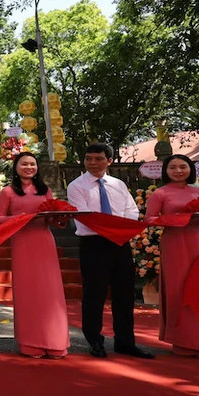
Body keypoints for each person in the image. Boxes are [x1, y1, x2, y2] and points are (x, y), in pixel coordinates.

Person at [67, 143, 155, 359]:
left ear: (109, 161)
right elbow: (84, 216)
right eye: (88, 159)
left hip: (120, 243)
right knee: (94, 294)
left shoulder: (118, 184)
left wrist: (120, 230)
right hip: (93, 243)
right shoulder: (76, 186)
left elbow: (131, 211)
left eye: (98, 159)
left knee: (124, 293)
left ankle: (125, 342)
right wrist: (113, 228)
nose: (93, 163)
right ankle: (95, 341)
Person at [0, 152, 69, 358]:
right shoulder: (8, 192)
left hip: (44, 241)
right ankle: (30, 343)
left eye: (32, 164)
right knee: (27, 290)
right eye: (24, 164)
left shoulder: (45, 190)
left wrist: (61, 217)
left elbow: (51, 218)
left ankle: (55, 342)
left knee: (50, 291)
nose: (29, 167)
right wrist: (18, 218)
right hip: (22, 242)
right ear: (16, 167)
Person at [144, 154, 199, 359]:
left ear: (190, 169)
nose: (178, 171)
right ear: (165, 171)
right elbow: (149, 219)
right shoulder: (160, 193)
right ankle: (182, 342)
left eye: (182, 166)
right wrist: (176, 219)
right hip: (175, 243)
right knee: (178, 289)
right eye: (173, 167)